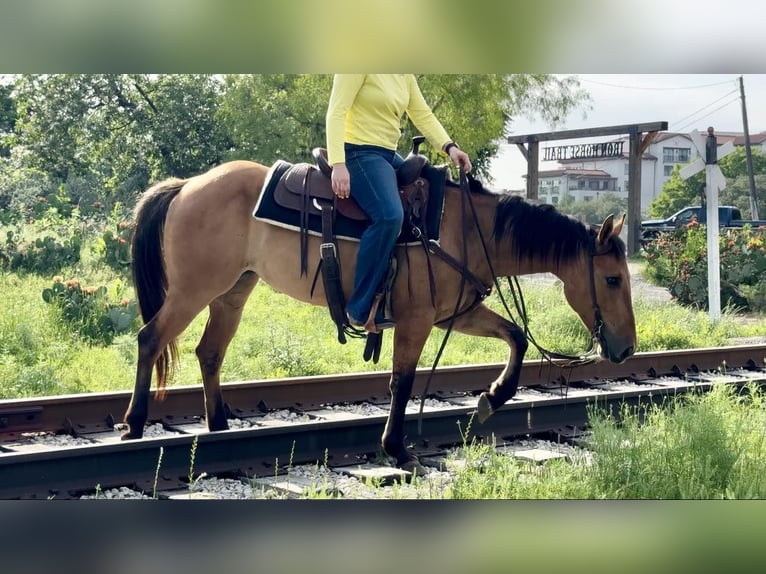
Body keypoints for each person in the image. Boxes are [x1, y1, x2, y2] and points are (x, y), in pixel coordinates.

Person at [325, 74, 472, 333]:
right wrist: (338, 163)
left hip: (386, 154)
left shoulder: (404, 73)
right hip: (358, 152)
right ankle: (359, 308)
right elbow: (336, 111)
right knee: (389, 216)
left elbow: (422, 113)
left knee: (431, 185)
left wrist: (450, 148)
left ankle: (402, 290)